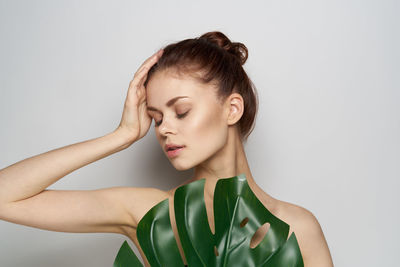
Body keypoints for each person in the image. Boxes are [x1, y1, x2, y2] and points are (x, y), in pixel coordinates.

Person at [0, 31, 333, 266]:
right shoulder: (151, 213)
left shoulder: (298, 227)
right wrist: (122, 135)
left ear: (232, 109)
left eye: (182, 111)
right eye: (156, 118)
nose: (165, 129)